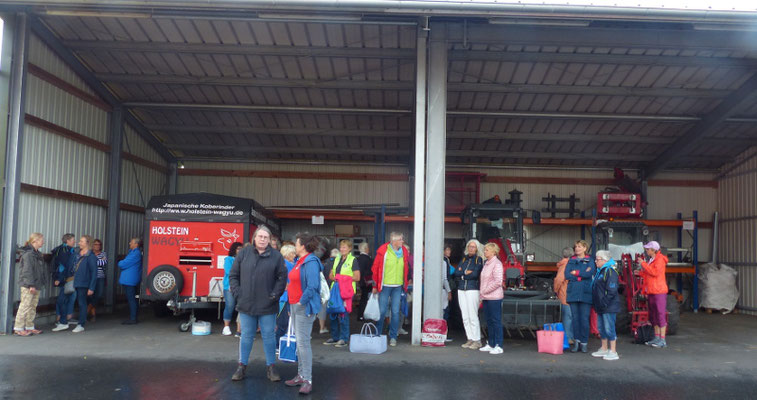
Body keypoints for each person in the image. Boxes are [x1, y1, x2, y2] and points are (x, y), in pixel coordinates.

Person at [230, 225, 287, 383]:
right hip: (246, 304)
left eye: (266, 237)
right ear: (254, 238)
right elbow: (233, 275)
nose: (262, 239)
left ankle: (271, 368)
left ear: (269, 240)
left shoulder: (276, 256)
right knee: (246, 336)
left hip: (267, 305)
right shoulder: (244, 254)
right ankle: (241, 367)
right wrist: (237, 293)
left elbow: (282, 278)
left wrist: (274, 295)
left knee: (269, 337)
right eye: (260, 236)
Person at [284, 233, 323, 395]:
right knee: (300, 343)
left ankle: (307, 379)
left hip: (302, 306)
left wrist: (301, 301)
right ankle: (302, 375)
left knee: (303, 344)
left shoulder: (311, 262)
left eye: (297, 243)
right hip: (295, 305)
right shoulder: (300, 261)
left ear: (303, 246)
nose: (295, 245)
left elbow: (313, 285)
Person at [371, 232, 412, 347]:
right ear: (394, 241)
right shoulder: (383, 251)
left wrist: (405, 281)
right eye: (400, 239)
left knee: (395, 312)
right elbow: (375, 268)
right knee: (382, 311)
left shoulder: (404, 251)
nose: (402, 241)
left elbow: (407, 268)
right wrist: (375, 285)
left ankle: (393, 336)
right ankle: (377, 333)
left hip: (398, 286)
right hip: (385, 285)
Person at [324, 239, 360, 348]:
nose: (342, 249)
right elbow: (331, 275)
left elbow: (357, 277)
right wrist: (335, 277)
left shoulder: (353, 260)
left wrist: (342, 278)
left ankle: (344, 338)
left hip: (346, 291)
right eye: (341, 247)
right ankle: (335, 337)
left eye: (344, 247)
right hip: (335, 290)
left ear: (349, 249)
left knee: (343, 313)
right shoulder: (336, 259)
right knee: (333, 312)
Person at [565, 239, 596, 353]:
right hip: (573, 293)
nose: (577, 248)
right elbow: (567, 275)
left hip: (585, 293)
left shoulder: (590, 261)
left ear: (584, 248)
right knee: (575, 319)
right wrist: (581, 275)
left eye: (579, 246)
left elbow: (589, 273)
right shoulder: (571, 261)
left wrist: (576, 273)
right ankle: (576, 342)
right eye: (576, 246)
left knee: (584, 319)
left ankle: (584, 343)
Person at [14, 233, 48, 336]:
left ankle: (29, 326)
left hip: (36, 284)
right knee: (25, 305)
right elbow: (27, 271)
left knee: (32, 306)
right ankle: (18, 328)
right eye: (41, 240)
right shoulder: (28, 254)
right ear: (35, 241)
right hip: (29, 285)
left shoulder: (37, 253)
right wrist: (31, 285)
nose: (43, 242)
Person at [454, 239, 484, 350]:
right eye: (470, 246)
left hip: (472, 289)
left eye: (473, 247)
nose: (471, 248)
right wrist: (464, 274)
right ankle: (470, 338)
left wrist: (462, 274)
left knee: (472, 315)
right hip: (461, 289)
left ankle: (477, 340)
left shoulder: (479, 260)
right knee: (465, 316)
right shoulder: (463, 259)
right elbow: (456, 273)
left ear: (477, 249)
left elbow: (475, 274)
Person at [592, 250, 621, 361]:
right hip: (601, 305)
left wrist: (604, 302)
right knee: (602, 328)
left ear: (604, 260)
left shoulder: (610, 272)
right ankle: (604, 348)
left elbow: (612, 290)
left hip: (608, 306)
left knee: (609, 328)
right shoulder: (601, 271)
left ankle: (613, 350)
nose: (595, 261)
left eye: (597, 259)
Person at [640, 241, 669, 348]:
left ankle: (662, 340)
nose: (646, 250)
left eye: (648, 249)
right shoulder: (652, 260)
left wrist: (643, 264)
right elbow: (650, 273)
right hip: (652, 291)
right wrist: (641, 273)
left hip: (658, 291)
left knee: (660, 315)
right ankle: (657, 338)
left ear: (653, 250)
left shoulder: (659, 260)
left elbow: (655, 273)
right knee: (654, 316)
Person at [479, 242, 504, 355]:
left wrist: (484, 291)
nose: (485, 252)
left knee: (496, 321)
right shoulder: (486, 263)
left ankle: (499, 345)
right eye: (485, 250)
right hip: (486, 297)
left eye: (487, 250)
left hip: (494, 297)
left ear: (494, 252)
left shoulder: (497, 264)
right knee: (489, 321)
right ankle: (491, 343)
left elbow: (498, 282)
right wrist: (483, 293)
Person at [70, 236, 98, 333]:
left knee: (82, 303)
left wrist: (91, 287)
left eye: (81, 241)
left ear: (87, 243)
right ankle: (79, 322)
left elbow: (94, 273)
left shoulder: (91, 256)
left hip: (84, 283)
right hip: (76, 282)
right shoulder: (77, 253)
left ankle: (81, 324)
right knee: (80, 302)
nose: (79, 243)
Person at [51, 233, 76, 330]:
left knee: (67, 297)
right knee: (64, 298)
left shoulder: (64, 249)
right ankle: (62, 319)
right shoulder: (65, 251)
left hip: (66, 278)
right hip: (65, 278)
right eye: (73, 239)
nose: (75, 241)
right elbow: (64, 266)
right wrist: (59, 279)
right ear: (68, 241)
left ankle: (64, 318)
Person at [275, 243, 297, 347]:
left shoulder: (291, 263)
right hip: (284, 298)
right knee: (283, 322)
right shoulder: (285, 264)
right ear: (287, 254)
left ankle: (281, 344)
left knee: (287, 322)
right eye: (292, 253)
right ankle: (278, 344)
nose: (294, 255)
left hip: (289, 296)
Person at [553, 247, 574, 345]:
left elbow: (559, 279)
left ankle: (567, 338)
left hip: (565, 294)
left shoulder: (564, 265)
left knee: (567, 318)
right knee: (571, 317)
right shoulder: (572, 264)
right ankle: (572, 337)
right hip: (571, 294)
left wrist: (555, 290)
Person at [119, 237, 143, 325]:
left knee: (131, 299)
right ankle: (134, 317)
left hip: (130, 280)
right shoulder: (133, 253)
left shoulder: (135, 254)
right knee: (133, 299)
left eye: (131, 242)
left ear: (136, 244)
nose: (129, 243)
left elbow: (122, 264)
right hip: (130, 280)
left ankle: (133, 318)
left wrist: (121, 262)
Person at [222, 242, 244, 336]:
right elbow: (229, 272)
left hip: (242, 286)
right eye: (238, 248)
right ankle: (226, 327)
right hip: (229, 286)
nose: (240, 250)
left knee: (242, 307)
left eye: (241, 248)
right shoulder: (228, 259)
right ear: (234, 249)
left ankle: (240, 329)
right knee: (230, 306)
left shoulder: (244, 259)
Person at [317, 248, 339, 335]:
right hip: (335, 288)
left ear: (330, 255)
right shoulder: (339, 263)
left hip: (324, 288)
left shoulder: (324, 263)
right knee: (335, 306)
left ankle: (322, 327)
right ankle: (335, 327)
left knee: (322, 308)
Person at [87, 239, 107, 322]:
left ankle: (89, 308)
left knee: (99, 294)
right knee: (90, 294)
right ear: (93, 245)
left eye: (99, 244)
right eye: (95, 244)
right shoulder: (89, 253)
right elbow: (89, 264)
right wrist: (97, 261)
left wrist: (94, 262)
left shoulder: (103, 253)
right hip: (90, 277)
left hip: (100, 277)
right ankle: (93, 312)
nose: (97, 246)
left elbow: (104, 262)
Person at [356, 242, 373, 321]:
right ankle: (363, 315)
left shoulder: (358, 258)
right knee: (366, 299)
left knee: (363, 298)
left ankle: (361, 315)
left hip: (363, 282)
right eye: (368, 247)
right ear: (366, 249)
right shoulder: (368, 259)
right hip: (367, 282)